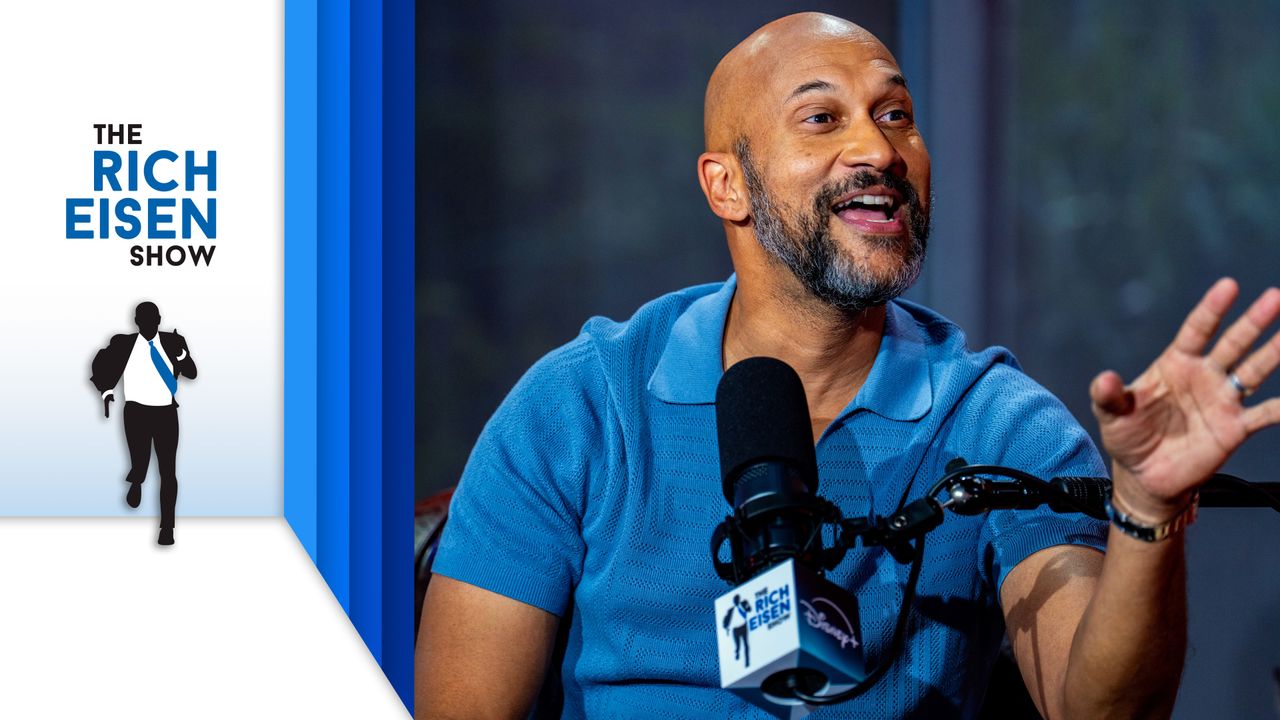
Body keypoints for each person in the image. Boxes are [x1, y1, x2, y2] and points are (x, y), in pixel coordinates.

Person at [416, 12, 1280, 719]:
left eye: (895, 114)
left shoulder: (999, 426)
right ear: (726, 186)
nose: (879, 150)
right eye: (823, 119)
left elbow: (1100, 712)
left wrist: (1144, 513)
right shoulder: (579, 404)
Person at [91, 301, 198, 546]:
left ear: (159, 320)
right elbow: (101, 365)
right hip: (136, 414)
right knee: (140, 462)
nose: (148, 324)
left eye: (152, 319)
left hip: (166, 414)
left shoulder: (174, 342)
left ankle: (167, 527)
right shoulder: (123, 343)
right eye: (143, 320)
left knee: (168, 472)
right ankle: (137, 479)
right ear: (136, 322)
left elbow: (192, 373)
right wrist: (106, 390)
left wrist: (181, 354)